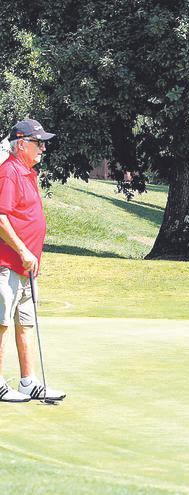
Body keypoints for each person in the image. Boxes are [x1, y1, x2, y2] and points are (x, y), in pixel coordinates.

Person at [0, 119, 65, 403]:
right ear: (22, 143)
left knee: (25, 323)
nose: (43, 148)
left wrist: (30, 256)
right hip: (7, 263)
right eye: (39, 143)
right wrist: (24, 251)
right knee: (1, 322)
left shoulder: (27, 172)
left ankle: (28, 382)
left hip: (27, 267)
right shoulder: (9, 173)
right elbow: (1, 217)